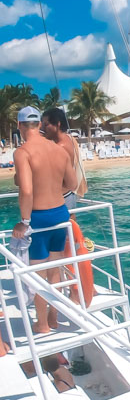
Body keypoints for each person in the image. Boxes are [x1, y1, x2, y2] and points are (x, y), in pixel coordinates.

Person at [11, 107, 77, 334]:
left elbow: (27, 191)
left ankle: (42, 325)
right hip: (60, 213)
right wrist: (51, 189)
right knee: (55, 268)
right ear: (39, 124)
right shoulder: (58, 150)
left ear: (19, 126)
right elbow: (72, 182)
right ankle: (54, 316)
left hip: (38, 219)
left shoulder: (23, 152)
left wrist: (24, 221)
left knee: (38, 274)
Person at [40, 108, 87, 210]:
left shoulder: (59, 148)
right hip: (69, 194)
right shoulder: (70, 138)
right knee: (71, 223)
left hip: (63, 196)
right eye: (42, 124)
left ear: (58, 124)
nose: (42, 128)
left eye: (46, 124)